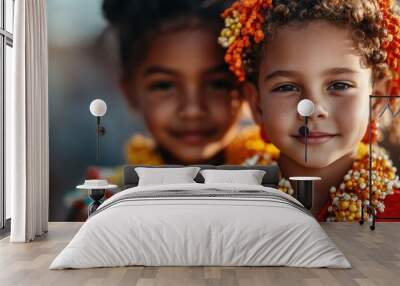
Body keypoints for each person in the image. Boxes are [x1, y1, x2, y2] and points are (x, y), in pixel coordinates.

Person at [66, 0, 280, 221]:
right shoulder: (104, 201)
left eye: (218, 83)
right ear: (130, 93)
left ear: (246, 89)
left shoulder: (282, 183)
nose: (193, 109)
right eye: (164, 85)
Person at [218, 0, 400, 222]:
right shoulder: (228, 209)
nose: (311, 109)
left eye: (339, 85)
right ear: (256, 104)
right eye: (286, 87)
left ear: (377, 100)